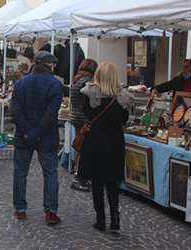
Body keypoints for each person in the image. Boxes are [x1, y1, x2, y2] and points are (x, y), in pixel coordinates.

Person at [78, 62, 133, 232]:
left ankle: (100, 218)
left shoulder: (89, 95)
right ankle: (115, 217)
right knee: (112, 181)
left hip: (95, 140)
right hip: (115, 141)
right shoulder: (122, 98)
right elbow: (124, 120)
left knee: (97, 182)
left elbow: (86, 113)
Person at [11, 51, 63, 225]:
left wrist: (27, 132)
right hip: (46, 136)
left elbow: (16, 111)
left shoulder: (20, 84)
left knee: (20, 173)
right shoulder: (55, 85)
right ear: (49, 65)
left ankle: (20, 209)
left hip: (24, 135)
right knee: (50, 174)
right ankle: (50, 211)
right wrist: (36, 132)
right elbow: (51, 113)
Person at [69, 59, 98, 192]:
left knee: (80, 147)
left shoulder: (76, 79)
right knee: (83, 149)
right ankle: (79, 177)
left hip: (76, 117)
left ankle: (79, 175)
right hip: (84, 119)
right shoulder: (87, 82)